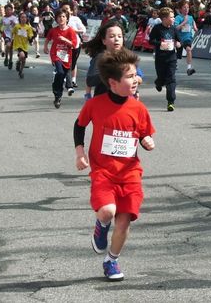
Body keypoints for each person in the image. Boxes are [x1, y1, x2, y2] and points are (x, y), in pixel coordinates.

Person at [73, 48, 155, 281]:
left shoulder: (138, 108)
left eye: (136, 75)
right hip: (103, 172)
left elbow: (143, 134)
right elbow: (79, 125)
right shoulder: (95, 104)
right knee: (108, 212)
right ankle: (101, 225)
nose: (135, 80)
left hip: (130, 173)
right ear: (113, 82)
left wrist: (147, 141)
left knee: (124, 220)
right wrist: (80, 152)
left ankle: (111, 260)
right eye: (129, 76)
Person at [84, 21, 144, 101]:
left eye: (119, 36)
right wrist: (88, 95)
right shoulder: (100, 58)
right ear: (104, 41)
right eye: (112, 36)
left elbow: (139, 78)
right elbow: (90, 81)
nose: (116, 39)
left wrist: (132, 83)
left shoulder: (127, 56)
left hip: (127, 100)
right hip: (104, 101)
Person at [43, 9, 77, 109]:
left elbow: (74, 45)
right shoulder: (53, 30)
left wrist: (65, 40)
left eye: (63, 17)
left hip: (66, 55)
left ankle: (58, 96)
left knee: (63, 74)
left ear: (67, 19)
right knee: (60, 72)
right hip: (56, 54)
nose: (61, 18)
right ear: (56, 19)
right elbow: (48, 39)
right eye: (59, 17)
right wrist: (45, 47)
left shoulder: (70, 31)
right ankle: (58, 92)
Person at [149, 7, 181, 112]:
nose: (173, 19)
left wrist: (178, 43)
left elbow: (178, 41)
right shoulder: (157, 28)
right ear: (164, 18)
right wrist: (160, 44)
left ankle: (170, 102)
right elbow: (151, 41)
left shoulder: (174, 29)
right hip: (160, 58)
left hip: (171, 58)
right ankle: (158, 82)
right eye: (171, 17)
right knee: (161, 78)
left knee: (171, 79)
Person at [61, 2, 86, 90]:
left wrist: (74, 31)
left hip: (75, 44)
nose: (65, 11)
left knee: (73, 63)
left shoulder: (76, 19)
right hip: (63, 46)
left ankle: (73, 80)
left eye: (67, 9)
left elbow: (83, 30)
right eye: (63, 9)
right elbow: (54, 29)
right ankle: (66, 81)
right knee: (65, 62)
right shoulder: (60, 18)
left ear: (71, 11)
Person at [174, 0, 198, 76]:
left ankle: (189, 68)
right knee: (178, 54)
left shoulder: (190, 17)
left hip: (187, 38)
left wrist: (195, 27)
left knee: (188, 49)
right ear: (180, 9)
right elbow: (176, 28)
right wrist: (184, 22)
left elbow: (192, 21)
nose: (186, 9)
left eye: (187, 7)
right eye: (184, 7)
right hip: (178, 37)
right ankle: (174, 63)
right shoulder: (178, 17)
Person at [11, 12, 34, 79]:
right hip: (18, 44)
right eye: (22, 17)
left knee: (23, 60)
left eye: (25, 17)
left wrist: (31, 38)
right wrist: (11, 39)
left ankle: (21, 71)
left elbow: (30, 36)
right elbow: (12, 33)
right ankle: (18, 61)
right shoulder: (17, 26)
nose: (23, 19)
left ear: (27, 19)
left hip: (25, 45)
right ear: (19, 19)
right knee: (22, 55)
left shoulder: (28, 27)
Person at [0, 4, 18, 70]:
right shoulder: (3, 18)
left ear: (11, 10)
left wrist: (13, 23)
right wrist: (1, 30)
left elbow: (17, 26)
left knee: (11, 48)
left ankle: (10, 60)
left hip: (13, 35)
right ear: (5, 10)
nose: (8, 11)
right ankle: (6, 58)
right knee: (8, 45)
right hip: (6, 34)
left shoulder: (14, 18)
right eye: (7, 10)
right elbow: (0, 26)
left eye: (9, 10)